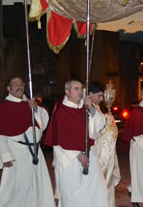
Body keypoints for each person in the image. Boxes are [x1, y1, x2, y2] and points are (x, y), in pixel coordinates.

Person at [0, 77, 55, 207]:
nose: (19, 87)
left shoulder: (31, 103)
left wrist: (35, 109)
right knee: (20, 187)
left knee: (38, 183)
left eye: (21, 84)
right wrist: (5, 156)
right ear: (9, 88)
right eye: (15, 85)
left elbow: (43, 124)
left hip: (35, 152)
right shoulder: (4, 108)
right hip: (17, 152)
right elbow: (0, 135)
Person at [44, 79, 108, 207]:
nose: (80, 92)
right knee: (72, 195)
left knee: (97, 190)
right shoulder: (61, 111)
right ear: (67, 92)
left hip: (89, 154)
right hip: (69, 159)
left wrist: (92, 109)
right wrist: (78, 154)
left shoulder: (86, 107)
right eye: (76, 89)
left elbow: (100, 124)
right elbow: (61, 139)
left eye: (81, 89)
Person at [89, 82, 120, 207]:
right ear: (90, 94)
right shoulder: (87, 108)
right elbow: (95, 131)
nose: (102, 99)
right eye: (99, 96)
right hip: (95, 152)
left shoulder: (97, 108)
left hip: (103, 152)